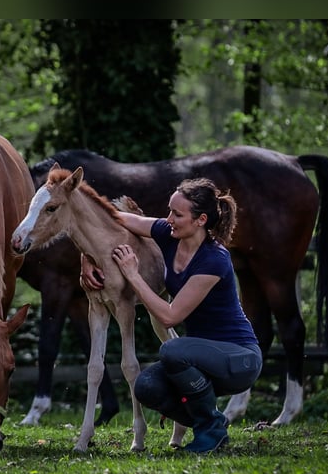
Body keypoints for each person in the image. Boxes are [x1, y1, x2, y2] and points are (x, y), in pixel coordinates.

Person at [80, 177, 262, 453]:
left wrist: (132, 275)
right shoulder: (169, 234)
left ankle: (210, 429)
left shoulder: (214, 259)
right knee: (146, 385)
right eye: (169, 211)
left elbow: (169, 317)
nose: (169, 219)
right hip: (200, 358)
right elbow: (111, 218)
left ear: (200, 220)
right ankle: (210, 425)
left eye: (177, 214)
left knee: (173, 350)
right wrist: (88, 255)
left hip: (238, 358)